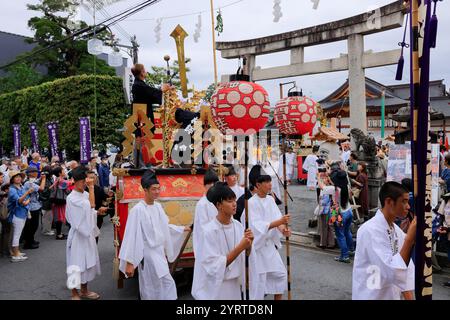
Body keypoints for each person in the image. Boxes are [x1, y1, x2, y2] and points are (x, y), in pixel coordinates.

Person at [119, 170, 189, 300]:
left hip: (159, 253)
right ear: (145, 190)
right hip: (147, 254)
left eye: (158, 188)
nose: (157, 192)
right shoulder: (137, 210)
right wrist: (129, 262)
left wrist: (181, 229)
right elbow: (131, 236)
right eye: (153, 189)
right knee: (151, 287)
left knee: (165, 284)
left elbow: (164, 227)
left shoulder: (157, 207)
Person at [352, 181, 416, 300]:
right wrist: (409, 240)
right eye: (404, 201)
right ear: (389, 202)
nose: (408, 206)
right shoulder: (369, 230)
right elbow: (391, 272)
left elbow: (406, 270)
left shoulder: (396, 231)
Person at [192, 182, 254, 300]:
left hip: (235, 285)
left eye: (234, 200)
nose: (234, 204)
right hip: (217, 288)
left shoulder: (238, 226)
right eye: (230, 201)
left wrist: (249, 244)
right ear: (219, 205)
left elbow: (246, 255)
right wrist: (241, 247)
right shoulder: (209, 231)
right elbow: (214, 265)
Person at [243, 165, 290, 300]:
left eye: (270, 181)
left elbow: (276, 219)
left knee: (280, 275)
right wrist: (279, 222)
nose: (270, 185)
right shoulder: (251, 203)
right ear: (258, 184)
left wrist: (283, 229)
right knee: (259, 282)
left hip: (269, 247)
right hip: (257, 249)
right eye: (267, 182)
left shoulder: (270, 200)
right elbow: (257, 227)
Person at [66, 166, 105, 300]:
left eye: (85, 181)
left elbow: (90, 210)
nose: (85, 184)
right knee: (75, 264)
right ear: (74, 181)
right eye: (82, 181)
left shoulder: (85, 194)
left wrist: (97, 213)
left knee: (87, 263)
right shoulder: (72, 198)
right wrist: (92, 188)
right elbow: (91, 205)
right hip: (78, 235)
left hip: (87, 234)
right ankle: (74, 293)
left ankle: (84, 290)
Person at [131, 63, 172, 129]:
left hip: (141, 114)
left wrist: (162, 90)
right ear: (142, 72)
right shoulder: (138, 85)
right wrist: (162, 90)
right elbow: (152, 93)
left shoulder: (139, 84)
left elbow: (150, 94)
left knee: (143, 135)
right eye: (144, 70)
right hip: (141, 115)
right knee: (142, 136)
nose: (146, 71)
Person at [330, 164, 354, 263]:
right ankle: (351, 250)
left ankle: (344, 256)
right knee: (347, 231)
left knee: (340, 235)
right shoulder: (347, 186)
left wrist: (333, 218)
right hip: (349, 211)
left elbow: (335, 204)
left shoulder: (336, 190)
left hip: (340, 214)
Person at [7, 170, 33, 262]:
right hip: (16, 214)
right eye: (16, 177)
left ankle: (16, 251)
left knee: (18, 234)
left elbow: (26, 200)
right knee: (16, 235)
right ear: (12, 179)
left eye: (19, 176)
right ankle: (15, 254)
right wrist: (27, 194)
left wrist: (26, 200)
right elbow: (19, 201)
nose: (18, 178)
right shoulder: (12, 189)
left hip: (23, 213)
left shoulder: (21, 187)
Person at [22, 167, 46, 249]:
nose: (37, 173)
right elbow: (41, 188)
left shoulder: (31, 181)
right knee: (32, 226)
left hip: (35, 205)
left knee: (33, 225)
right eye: (35, 172)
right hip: (32, 207)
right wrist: (43, 179)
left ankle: (31, 240)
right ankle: (28, 243)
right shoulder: (28, 183)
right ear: (30, 173)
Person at [85, 171, 108, 244]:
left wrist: (110, 196)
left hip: (97, 216)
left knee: (95, 235)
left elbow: (105, 199)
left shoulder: (99, 189)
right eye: (91, 178)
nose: (93, 180)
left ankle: (94, 251)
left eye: (94, 178)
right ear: (86, 179)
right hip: (86, 216)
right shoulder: (83, 190)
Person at [317, 171, 336, 249]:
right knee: (330, 226)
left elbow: (323, 202)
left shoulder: (328, 189)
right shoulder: (334, 187)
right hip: (333, 210)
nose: (323, 179)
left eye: (324, 178)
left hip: (326, 210)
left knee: (324, 227)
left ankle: (323, 243)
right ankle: (331, 243)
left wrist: (318, 177)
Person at [51, 166, 70, 240]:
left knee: (59, 216)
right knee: (59, 217)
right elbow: (67, 189)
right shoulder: (61, 181)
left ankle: (60, 233)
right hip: (60, 200)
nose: (65, 172)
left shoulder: (57, 179)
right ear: (59, 173)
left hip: (58, 200)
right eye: (63, 171)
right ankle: (59, 235)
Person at [40, 166, 55, 236]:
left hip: (48, 199)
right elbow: (45, 190)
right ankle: (46, 230)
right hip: (45, 199)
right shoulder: (44, 179)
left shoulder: (48, 178)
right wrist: (54, 185)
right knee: (46, 216)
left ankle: (48, 229)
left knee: (49, 215)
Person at [0, 180, 12, 257]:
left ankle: (3, 250)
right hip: (5, 218)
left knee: (4, 233)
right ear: (6, 190)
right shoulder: (5, 198)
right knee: (6, 233)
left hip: (4, 217)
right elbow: (4, 213)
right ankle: (5, 251)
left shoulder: (3, 197)